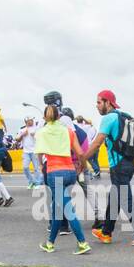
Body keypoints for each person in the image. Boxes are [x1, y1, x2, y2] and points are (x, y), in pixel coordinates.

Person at [84, 89, 134, 246]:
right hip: (128, 163)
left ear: (108, 103)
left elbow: (97, 143)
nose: (97, 105)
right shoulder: (123, 116)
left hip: (119, 166)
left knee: (124, 200)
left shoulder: (109, 118)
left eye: (99, 102)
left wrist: (82, 158)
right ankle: (106, 233)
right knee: (114, 198)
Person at [35, 102, 91, 254]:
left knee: (67, 209)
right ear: (59, 116)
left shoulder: (42, 132)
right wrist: (82, 166)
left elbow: (40, 154)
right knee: (56, 209)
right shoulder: (68, 131)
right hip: (70, 172)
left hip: (55, 173)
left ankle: (82, 242)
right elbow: (80, 153)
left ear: (45, 118)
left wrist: (41, 166)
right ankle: (50, 243)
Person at [15, 116, 42, 190]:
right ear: (26, 122)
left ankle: (37, 183)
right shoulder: (22, 129)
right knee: (25, 167)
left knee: (36, 168)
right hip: (26, 152)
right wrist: (22, 135)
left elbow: (41, 138)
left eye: (31, 120)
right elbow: (17, 139)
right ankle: (31, 182)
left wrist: (35, 135)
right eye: (29, 120)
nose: (31, 122)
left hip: (34, 151)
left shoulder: (36, 129)